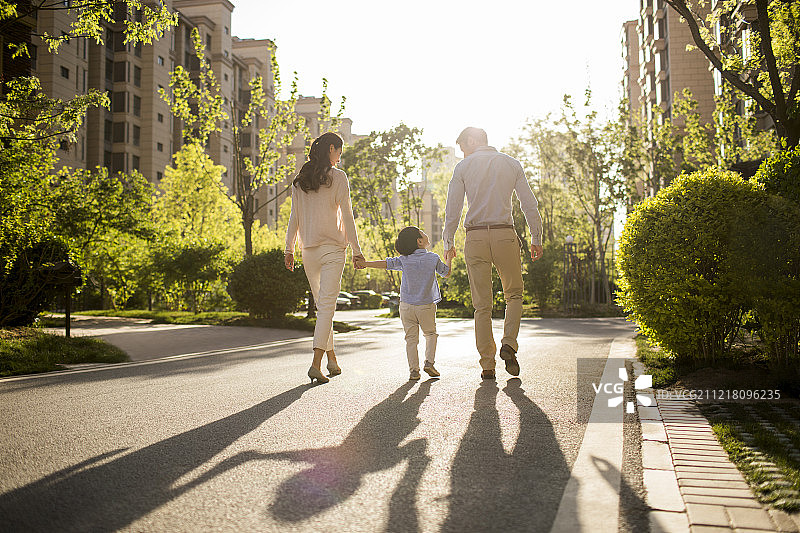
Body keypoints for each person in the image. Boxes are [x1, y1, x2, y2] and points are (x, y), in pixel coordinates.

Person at [442, 127, 543, 380]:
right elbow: (529, 204)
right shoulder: (511, 164)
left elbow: (453, 209)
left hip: (475, 237)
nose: (463, 154)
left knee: (482, 305)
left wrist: (448, 242)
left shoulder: (463, 168)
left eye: (463, 148)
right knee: (514, 295)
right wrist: (536, 237)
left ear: (473, 140)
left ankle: (487, 365)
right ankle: (509, 343)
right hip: (504, 235)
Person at [285, 132, 365, 384]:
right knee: (327, 307)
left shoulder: (301, 181)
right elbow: (348, 216)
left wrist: (289, 249)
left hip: (308, 252)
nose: (339, 157)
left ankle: (332, 360)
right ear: (331, 148)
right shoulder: (338, 178)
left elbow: (294, 217)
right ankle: (315, 364)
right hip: (332, 250)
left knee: (323, 308)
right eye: (339, 152)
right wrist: (357, 249)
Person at [359, 226, 451, 381]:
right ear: (419, 241)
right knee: (430, 334)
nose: (426, 234)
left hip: (406, 306)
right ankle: (429, 363)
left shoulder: (404, 259)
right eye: (423, 233)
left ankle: (414, 371)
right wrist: (449, 258)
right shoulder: (433, 258)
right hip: (426, 306)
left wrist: (365, 263)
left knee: (411, 339)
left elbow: (386, 263)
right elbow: (446, 273)